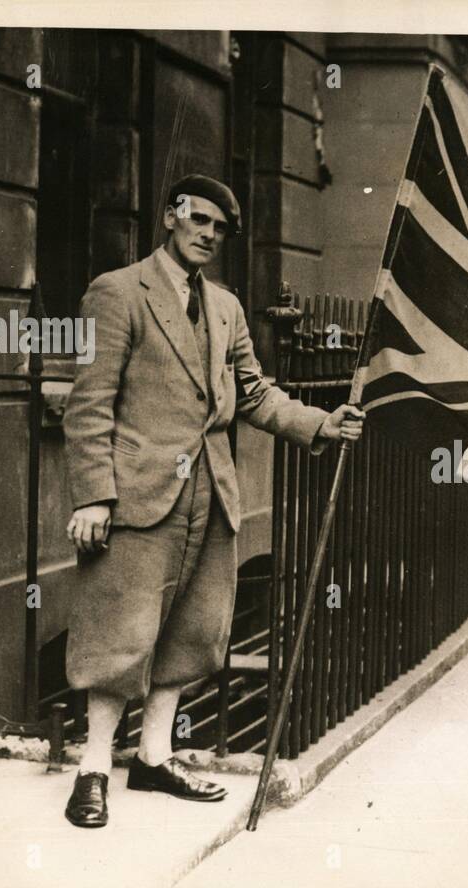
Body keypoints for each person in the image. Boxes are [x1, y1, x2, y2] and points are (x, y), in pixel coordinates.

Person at [60, 174, 365, 827]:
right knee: (121, 630)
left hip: (211, 488)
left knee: (192, 630)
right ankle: (91, 768)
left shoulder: (225, 307)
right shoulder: (117, 293)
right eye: (197, 220)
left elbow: (255, 395)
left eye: (219, 228)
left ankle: (154, 756)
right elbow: (88, 405)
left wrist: (320, 423)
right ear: (170, 216)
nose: (208, 234)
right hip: (137, 494)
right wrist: (93, 496)